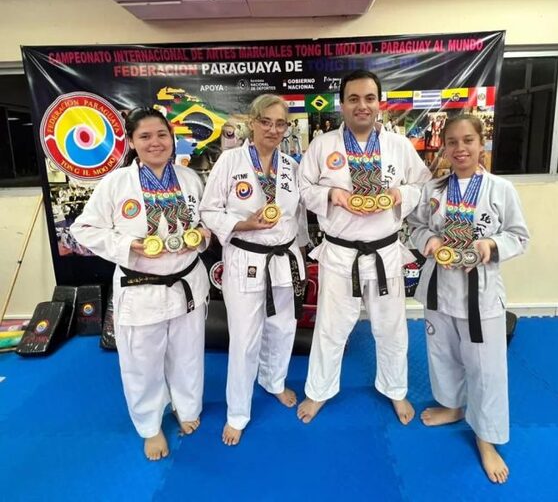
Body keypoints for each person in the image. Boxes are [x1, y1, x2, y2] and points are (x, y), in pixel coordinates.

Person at [71, 107, 211, 461]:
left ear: (172, 138)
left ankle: (186, 406)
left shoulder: (190, 178)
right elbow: (83, 228)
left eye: (162, 135)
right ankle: (150, 426)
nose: (155, 142)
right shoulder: (116, 183)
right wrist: (126, 245)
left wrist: (201, 236)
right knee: (142, 362)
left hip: (186, 281)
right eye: (145, 136)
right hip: (140, 286)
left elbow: (206, 221)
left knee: (188, 353)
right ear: (132, 142)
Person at [296, 70, 431, 424]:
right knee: (330, 328)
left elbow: (423, 184)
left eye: (369, 98)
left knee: (391, 327)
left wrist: (401, 194)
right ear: (342, 104)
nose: (362, 106)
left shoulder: (399, 146)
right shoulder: (322, 145)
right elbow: (303, 188)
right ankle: (319, 391)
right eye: (353, 98)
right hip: (340, 253)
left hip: (385, 252)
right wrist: (331, 194)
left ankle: (395, 390)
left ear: (379, 103)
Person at [407, 114, 529, 484]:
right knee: (442, 355)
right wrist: (429, 241)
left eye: (468, 141)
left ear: (481, 143)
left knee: (486, 369)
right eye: (453, 142)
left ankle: (486, 438)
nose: (460, 149)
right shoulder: (433, 190)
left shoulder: (500, 189)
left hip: (480, 294)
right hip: (440, 288)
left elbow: (519, 236)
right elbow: (415, 228)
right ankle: (452, 406)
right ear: (444, 147)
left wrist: (490, 244)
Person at [200, 94, 310, 446]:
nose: (273, 130)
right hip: (245, 258)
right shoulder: (230, 160)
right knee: (245, 338)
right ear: (253, 122)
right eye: (266, 122)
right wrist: (244, 224)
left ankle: (274, 381)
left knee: (282, 328)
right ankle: (237, 413)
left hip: (284, 258)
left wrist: (302, 256)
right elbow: (208, 210)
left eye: (281, 124)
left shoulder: (291, 166)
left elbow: (298, 218)